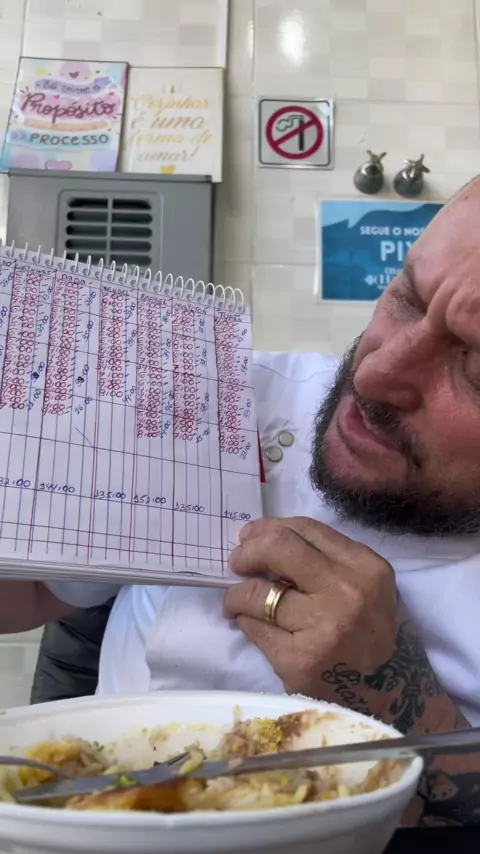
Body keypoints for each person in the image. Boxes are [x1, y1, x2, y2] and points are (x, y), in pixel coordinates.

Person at [5, 175, 480, 826]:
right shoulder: (229, 401)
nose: (374, 376)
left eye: (475, 368)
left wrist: (397, 694)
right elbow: (29, 590)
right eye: (406, 297)